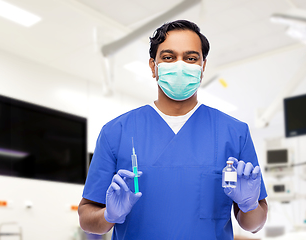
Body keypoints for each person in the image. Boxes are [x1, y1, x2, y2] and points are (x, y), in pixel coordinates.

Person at [78, 19, 268, 240]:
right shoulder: (116, 132)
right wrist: (109, 215)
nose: (180, 65)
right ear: (153, 66)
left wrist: (249, 205)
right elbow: (87, 218)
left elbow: (254, 225)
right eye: (168, 57)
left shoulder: (234, 133)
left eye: (190, 58)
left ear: (202, 67)